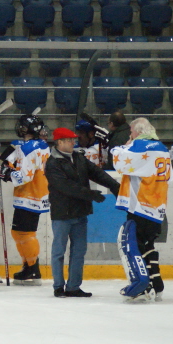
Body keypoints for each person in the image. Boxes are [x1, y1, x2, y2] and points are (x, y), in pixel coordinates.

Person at [46, 127, 120, 298]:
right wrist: (90, 194)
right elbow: (66, 186)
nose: (74, 142)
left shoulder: (79, 157)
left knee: (79, 251)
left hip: (80, 213)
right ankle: (58, 286)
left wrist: (114, 185)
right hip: (62, 214)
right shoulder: (52, 163)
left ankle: (73, 287)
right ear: (59, 142)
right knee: (59, 251)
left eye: (74, 139)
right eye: (69, 140)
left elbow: (96, 173)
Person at [111, 117, 173, 301]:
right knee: (148, 245)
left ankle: (143, 286)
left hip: (141, 205)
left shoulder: (140, 146)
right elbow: (170, 178)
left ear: (138, 131)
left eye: (131, 131)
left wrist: (118, 147)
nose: (130, 135)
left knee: (135, 246)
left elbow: (119, 162)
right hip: (157, 205)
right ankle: (157, 284)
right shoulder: (162, 148)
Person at [0, 114, 50, 285]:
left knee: (25, 233)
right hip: (33, 193)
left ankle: (33, 269)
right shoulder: (38, 145)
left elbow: (25, 176)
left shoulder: (28, 148)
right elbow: (17, 161)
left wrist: (7, 174)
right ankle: (28, 266)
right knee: (18, 232)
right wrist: (8, 165)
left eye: (23, 127)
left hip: (30, 195)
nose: (20, 129)